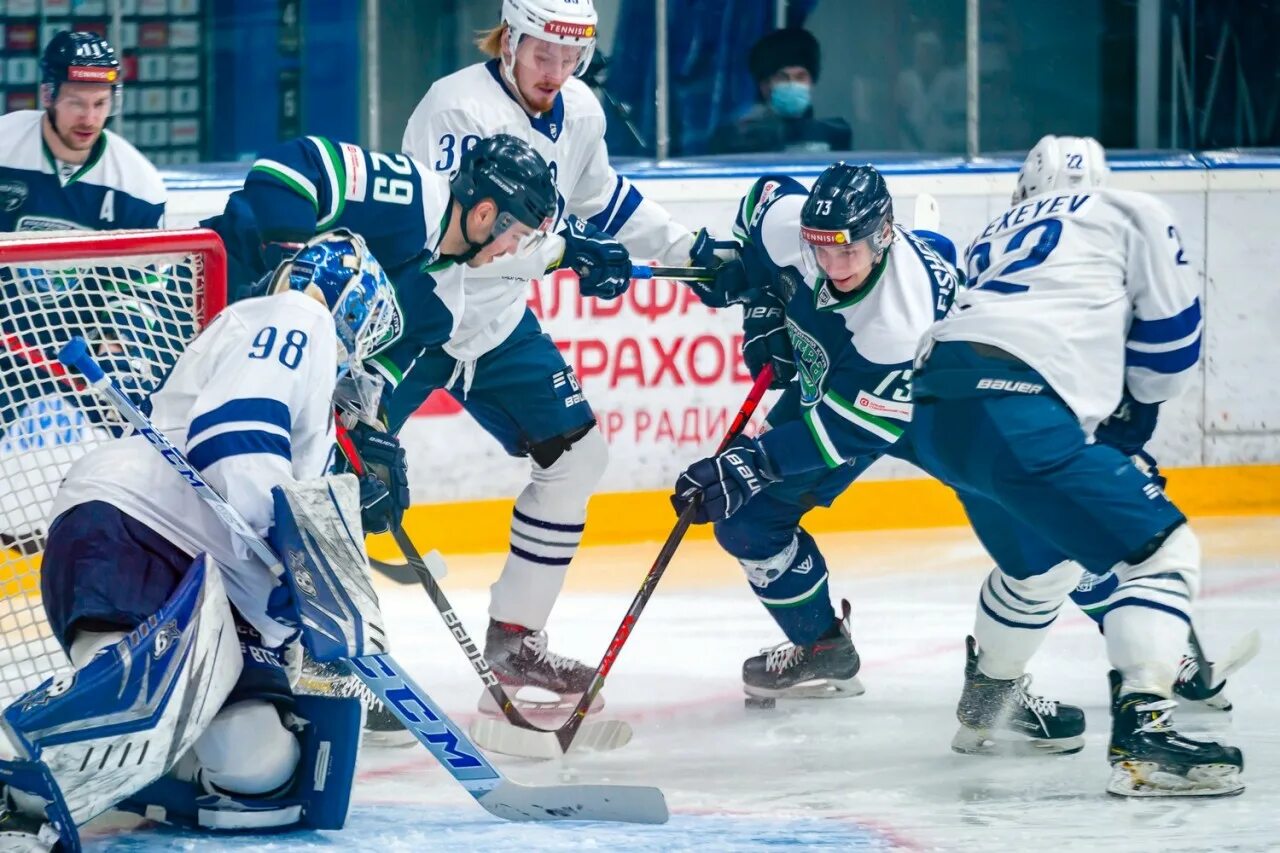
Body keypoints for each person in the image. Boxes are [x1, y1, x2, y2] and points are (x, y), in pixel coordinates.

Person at [0, 232, 398, 848]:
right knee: (130, 709)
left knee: (258, 768)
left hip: (212, 577)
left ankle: (124, 773)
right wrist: (292, 557)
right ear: (350, 304)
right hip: (143, 526)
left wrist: (291, 592)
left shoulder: (305, 377)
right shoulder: (300, 315)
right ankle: (29, 774)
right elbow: (235, 432)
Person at [399, 0, 741, 715]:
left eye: (570, 57)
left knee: (577, 457)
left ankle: (515, 640)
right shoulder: (455, 109)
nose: (555, 72)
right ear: (511, 42)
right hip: (421, 316)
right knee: (336, 474)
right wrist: (561, 253)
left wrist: (689, 252)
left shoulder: (580, 111)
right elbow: (446, 233)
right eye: (542, 55)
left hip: (496, 328)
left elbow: (604, 200)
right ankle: (322, 660)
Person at [906, 135, 1243, 797]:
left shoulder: (989, 237)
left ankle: (987, 708)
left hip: (938, 406)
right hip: (1018, 404)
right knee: (1162, 550)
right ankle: (1144, 737)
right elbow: (1172, 340)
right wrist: (1135, 418)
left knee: (1042, 567)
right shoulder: (1128, 207)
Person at [0, 30, 167, 558]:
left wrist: (118, 337)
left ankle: (146, 550)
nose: (88, 118)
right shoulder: (4, 146)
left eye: (100, 103)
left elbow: (141, 288)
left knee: (149, 433)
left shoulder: (136, 184)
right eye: (76, 101)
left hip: (80, 344)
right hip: (6, 334)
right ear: (47, 95)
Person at [709, 27, 852, 156]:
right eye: (782, 77)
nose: (792, 84)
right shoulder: (736, 137)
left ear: (811, 83)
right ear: (764, 86)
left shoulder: (833, 134)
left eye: (800, 77)